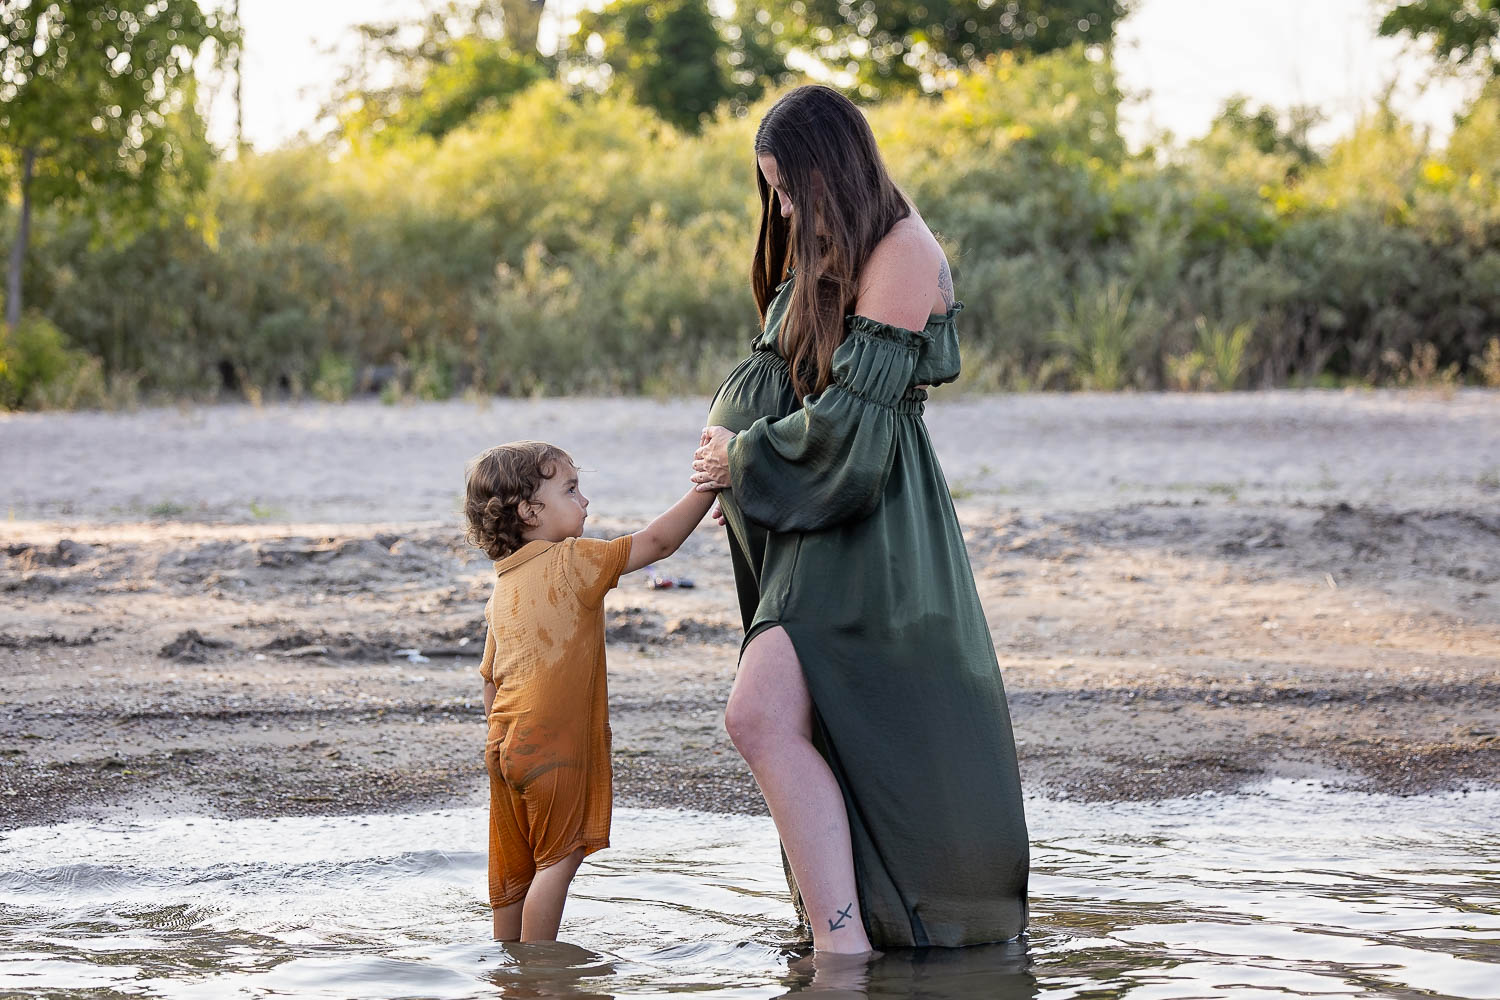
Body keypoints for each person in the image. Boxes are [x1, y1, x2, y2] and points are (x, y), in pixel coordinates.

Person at [690, 85, 1030, 952]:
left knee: (759, 716)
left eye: (792, 187)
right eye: (774, 192)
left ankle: (848, 949)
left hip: (871, 513)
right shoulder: (825, 248)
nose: (786, 209)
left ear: (831, 169)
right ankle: (841, 940)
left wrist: (742, 460)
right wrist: (724, 456)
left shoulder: (905, 250)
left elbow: (854, 421)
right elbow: (780, 373)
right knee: (769, 720)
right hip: (813, 515)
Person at [464, 440, 713, 942]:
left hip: (503, 748)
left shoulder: (502, 586)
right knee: (558, 859)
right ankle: (541, 974)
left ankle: (508, 972)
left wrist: (503, 742)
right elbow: (658, 544)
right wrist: (710, 485)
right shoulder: (573, 561)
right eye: (571, 489)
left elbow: (490, 681)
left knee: (515, 876)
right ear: (530, 511)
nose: (585, 501)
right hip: (555, 750)